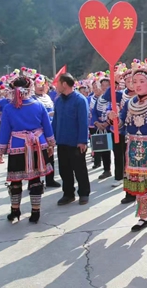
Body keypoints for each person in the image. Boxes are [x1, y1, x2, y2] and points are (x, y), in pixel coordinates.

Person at [108, 59, 147, 233]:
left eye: (142, 81)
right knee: (139, 186)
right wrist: (114, 118)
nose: (138, 85)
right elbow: (120, 127)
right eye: (135, 82)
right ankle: (143, 217)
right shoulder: (129, 103)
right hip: (134, 149)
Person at [0, 74, 56, 223]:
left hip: (18, 145)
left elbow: (4, 131)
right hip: (37, 145)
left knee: (15, 180)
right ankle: (35, 212)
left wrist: (0, 152)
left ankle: (15, 211)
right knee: (35, 178)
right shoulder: (38, 104)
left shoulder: (9, 108)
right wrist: (51, 144)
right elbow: (47, 127)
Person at [52, 72, 91, 205]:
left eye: (57, 83)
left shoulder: (80, 100)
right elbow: (55, 120)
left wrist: (82, 141)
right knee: (64, 169)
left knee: (80, 169)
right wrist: (52, 138)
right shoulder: (58, 100)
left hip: (76, 142)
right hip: (62, 141)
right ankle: (68, 194)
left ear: (64, 84)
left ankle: (84, 193)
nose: (56, 86)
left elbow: (83, 122)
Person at [102, 63, 137, 204]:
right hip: (122, 131)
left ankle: (146, 193)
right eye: (129, 81)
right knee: (121, 157)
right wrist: (114, 81)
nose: (133, 84)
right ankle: (126, 187)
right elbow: (105, 96)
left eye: (135, 81)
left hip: (142, 136)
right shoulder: (121, 95)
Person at [31, 72, 61, 188]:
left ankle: (50, 179)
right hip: (37, 133)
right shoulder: (32, 99)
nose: (41, 86)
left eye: (43, 84)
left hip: (50, 130)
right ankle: (33, 182)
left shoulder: (48, 97)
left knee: (50, 157)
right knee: (35, 158)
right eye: (38, 84)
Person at [90, 72, 114, 181]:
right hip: (101, 128)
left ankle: (121, 170)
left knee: (117, 151)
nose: (104, 87)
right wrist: (97, 123)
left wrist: (108, 122)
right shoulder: (99, 99)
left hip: (112, 128)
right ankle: (107, 170)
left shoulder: (114, 97)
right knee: (104, 150)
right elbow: (94, 112)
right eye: (102, 85)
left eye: (107, 85)